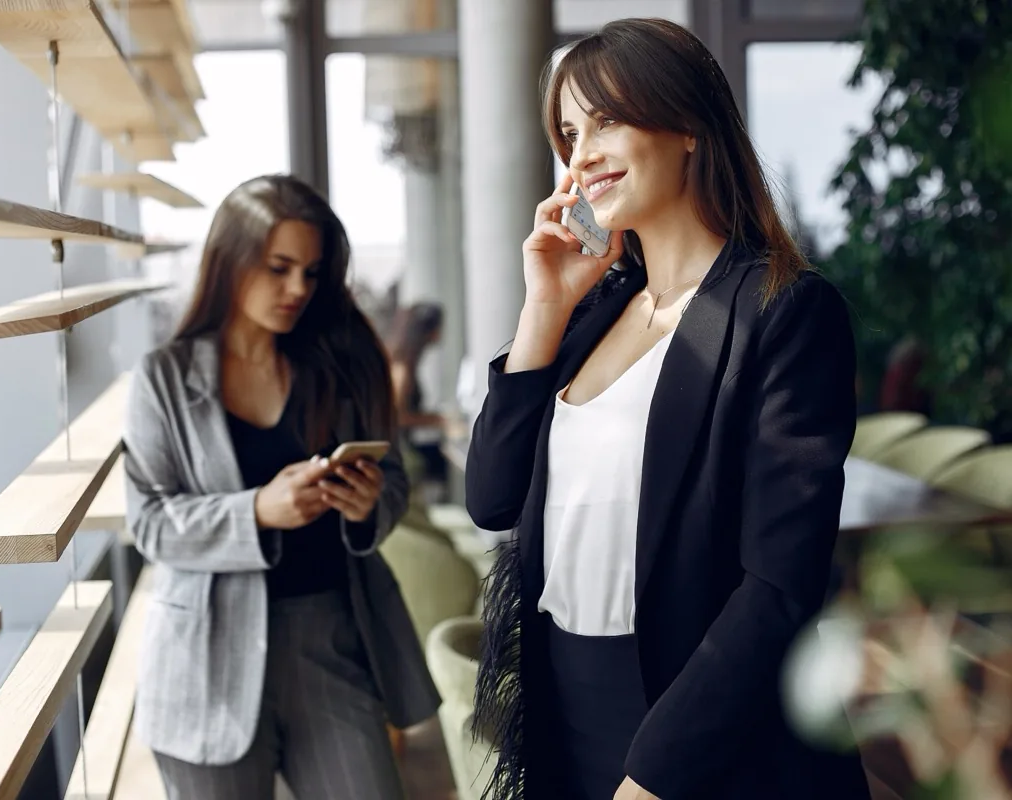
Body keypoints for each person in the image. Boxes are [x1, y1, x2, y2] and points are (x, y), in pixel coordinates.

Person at [465, 19, 871, 800]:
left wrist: (655, 773)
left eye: (606, 119)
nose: (580, 153)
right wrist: (543, 306)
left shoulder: (784, 312)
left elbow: (780, 586)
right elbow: (491, 498)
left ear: (686, 124)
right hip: (564, 711)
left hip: (707, 733)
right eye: (568, 132)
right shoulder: (592, 312)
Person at [123, 174, 440, 800]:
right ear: (230, 262)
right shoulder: (164, 377)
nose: (298, 288)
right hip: (205, 662)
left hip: (331, 640)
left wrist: (366, 505)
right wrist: (257, 512)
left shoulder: (342, 364)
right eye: (279, 268)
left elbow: (395, 481)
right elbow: (150, 523)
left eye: (312, 272)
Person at [387, 302, 449, 496]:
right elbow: (396, 417)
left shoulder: (405, 362)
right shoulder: (401, 369)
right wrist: (439, 421)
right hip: (400, 454)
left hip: (404, 448)